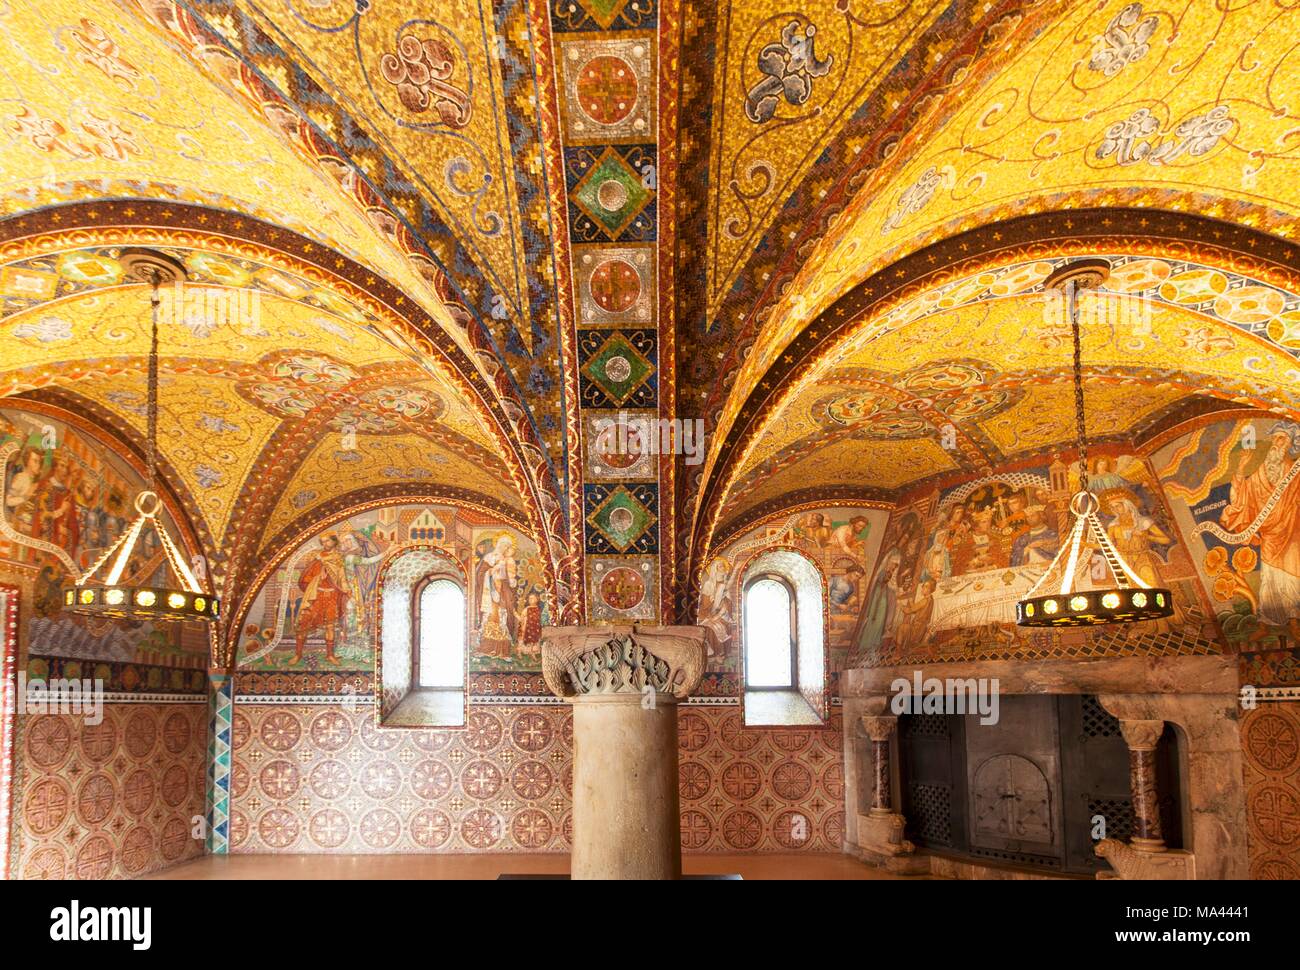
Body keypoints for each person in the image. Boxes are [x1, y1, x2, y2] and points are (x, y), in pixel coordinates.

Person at [1220, 423, 1300, 626]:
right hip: (1270, 537)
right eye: (1274, 438)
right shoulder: (1262, 474)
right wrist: (1240, 468)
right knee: (1271, 578)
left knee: (1293, 572)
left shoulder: (1296, 472)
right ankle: (1270, 621)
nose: (1275, 443)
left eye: (1281, 439)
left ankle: (1294, 619)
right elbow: (1242, 499)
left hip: (1292, 532)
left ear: (1291, 444)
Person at [293, 533, 349, 665]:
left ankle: (330, 655)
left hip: (331, 596)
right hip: (315, 595)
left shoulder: (339, 558)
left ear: (334, 542)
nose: (325, 544)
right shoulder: (317, 558)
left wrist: (347, 589)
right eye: (322, 542)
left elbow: (342, 577)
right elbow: (306, 577)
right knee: (304, 623)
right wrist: (319, 577)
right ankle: (298, 654)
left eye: (327, 541)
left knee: (330, 626)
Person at [477, 534, 518, 658]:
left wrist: (511, 582)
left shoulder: (508, 559)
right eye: (503, 545)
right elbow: (480, 574)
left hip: (504, 592)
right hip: (490, 592)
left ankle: (503, 651)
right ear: (498, 544)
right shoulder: (489, 557)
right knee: (491, 617)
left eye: (507, 546)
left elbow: (510, 577)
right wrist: (492, 570)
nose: (505, 548)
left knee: (504, 617)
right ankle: (487, 649)